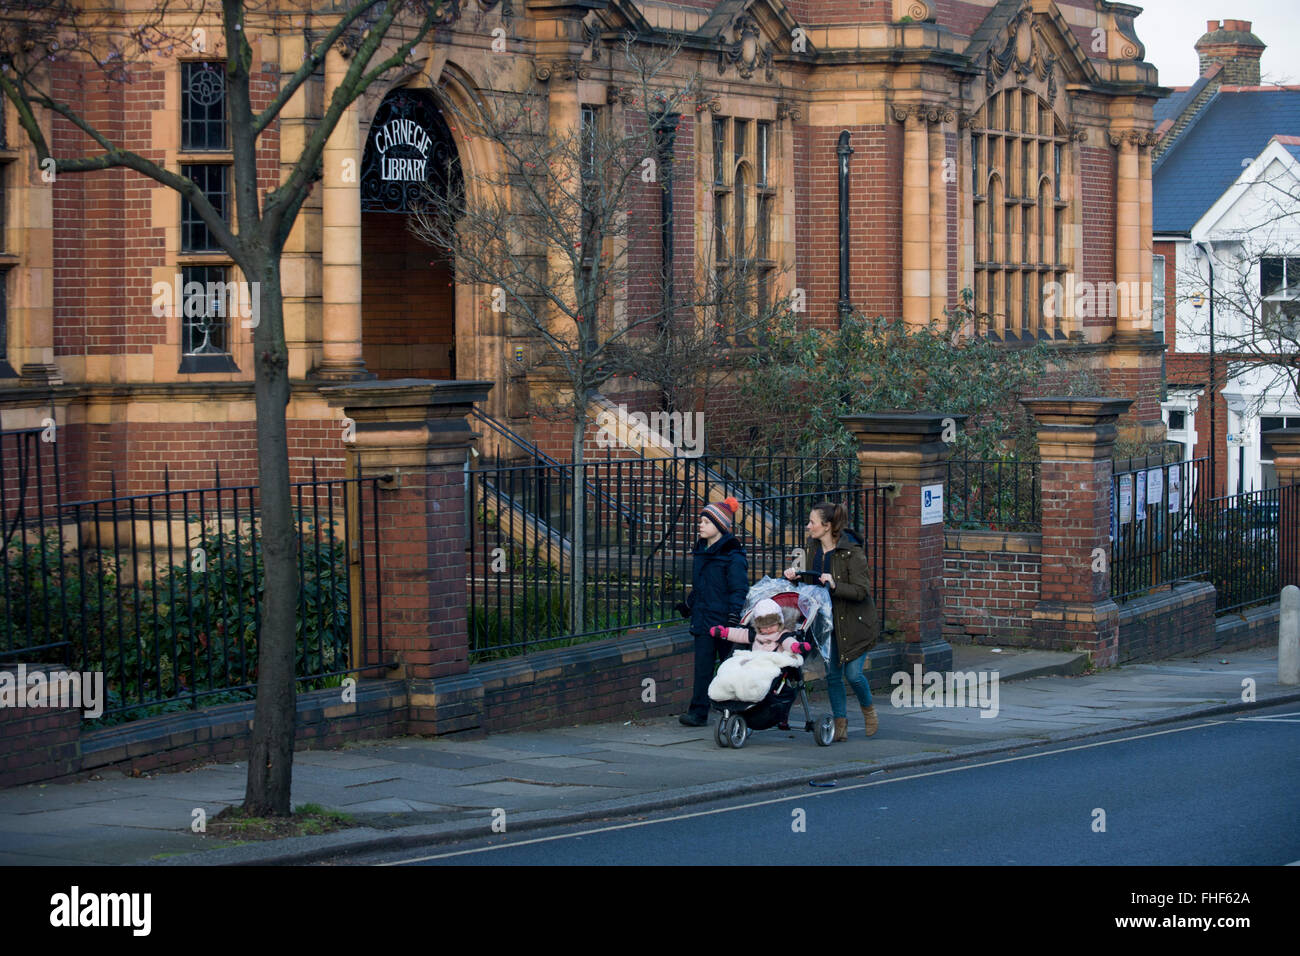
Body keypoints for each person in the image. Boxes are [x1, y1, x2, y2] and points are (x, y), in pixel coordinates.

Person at [784, 501, 879, 741]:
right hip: (827, 623)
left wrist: (835, 585)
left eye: (812, 522)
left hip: (855, 624)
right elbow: (803, 579)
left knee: (854, 674)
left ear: (827, 526)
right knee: (833, 675)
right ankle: (841, 725)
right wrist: (792, 576)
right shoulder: (811, 548)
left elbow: (861, 590)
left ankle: (869, 710)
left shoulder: (852, 553)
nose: (808, 526)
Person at [677, 496, 748, 726]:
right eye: (701, 521)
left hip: (724, 621)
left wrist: (734, 616)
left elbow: (739, 588)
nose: (700, 525)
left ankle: (737, 712)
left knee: (729, 668)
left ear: (719, 526)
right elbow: (701, 586)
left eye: (706, 522)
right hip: (703, 619)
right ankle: (698, 713)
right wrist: (689, 605)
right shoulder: (701, 552)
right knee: (702, 668)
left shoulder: (732, 555)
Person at [709, 598, 812, 656]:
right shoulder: (757, 633)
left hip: (773, 662)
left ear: (779, 623)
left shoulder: (781, 634)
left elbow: (788, 642)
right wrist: (725, 632)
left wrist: (796, 646)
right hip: (755, 661)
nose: (768, 629)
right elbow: (740, 634)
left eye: (772, 625)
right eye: (764, 626)